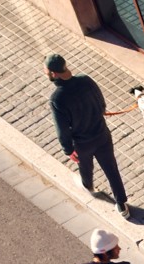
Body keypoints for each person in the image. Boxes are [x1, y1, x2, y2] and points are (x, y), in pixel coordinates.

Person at [46, 53, 130, 219]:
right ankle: (121, 204)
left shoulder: (57, 99)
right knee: (111, 168)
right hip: (102, 134)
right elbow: (101, 103)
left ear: (53, 74)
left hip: (82, 142)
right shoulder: (86, 80)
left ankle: (88, 187)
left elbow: (62, 129)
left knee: (85, 166)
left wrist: (67, 149)